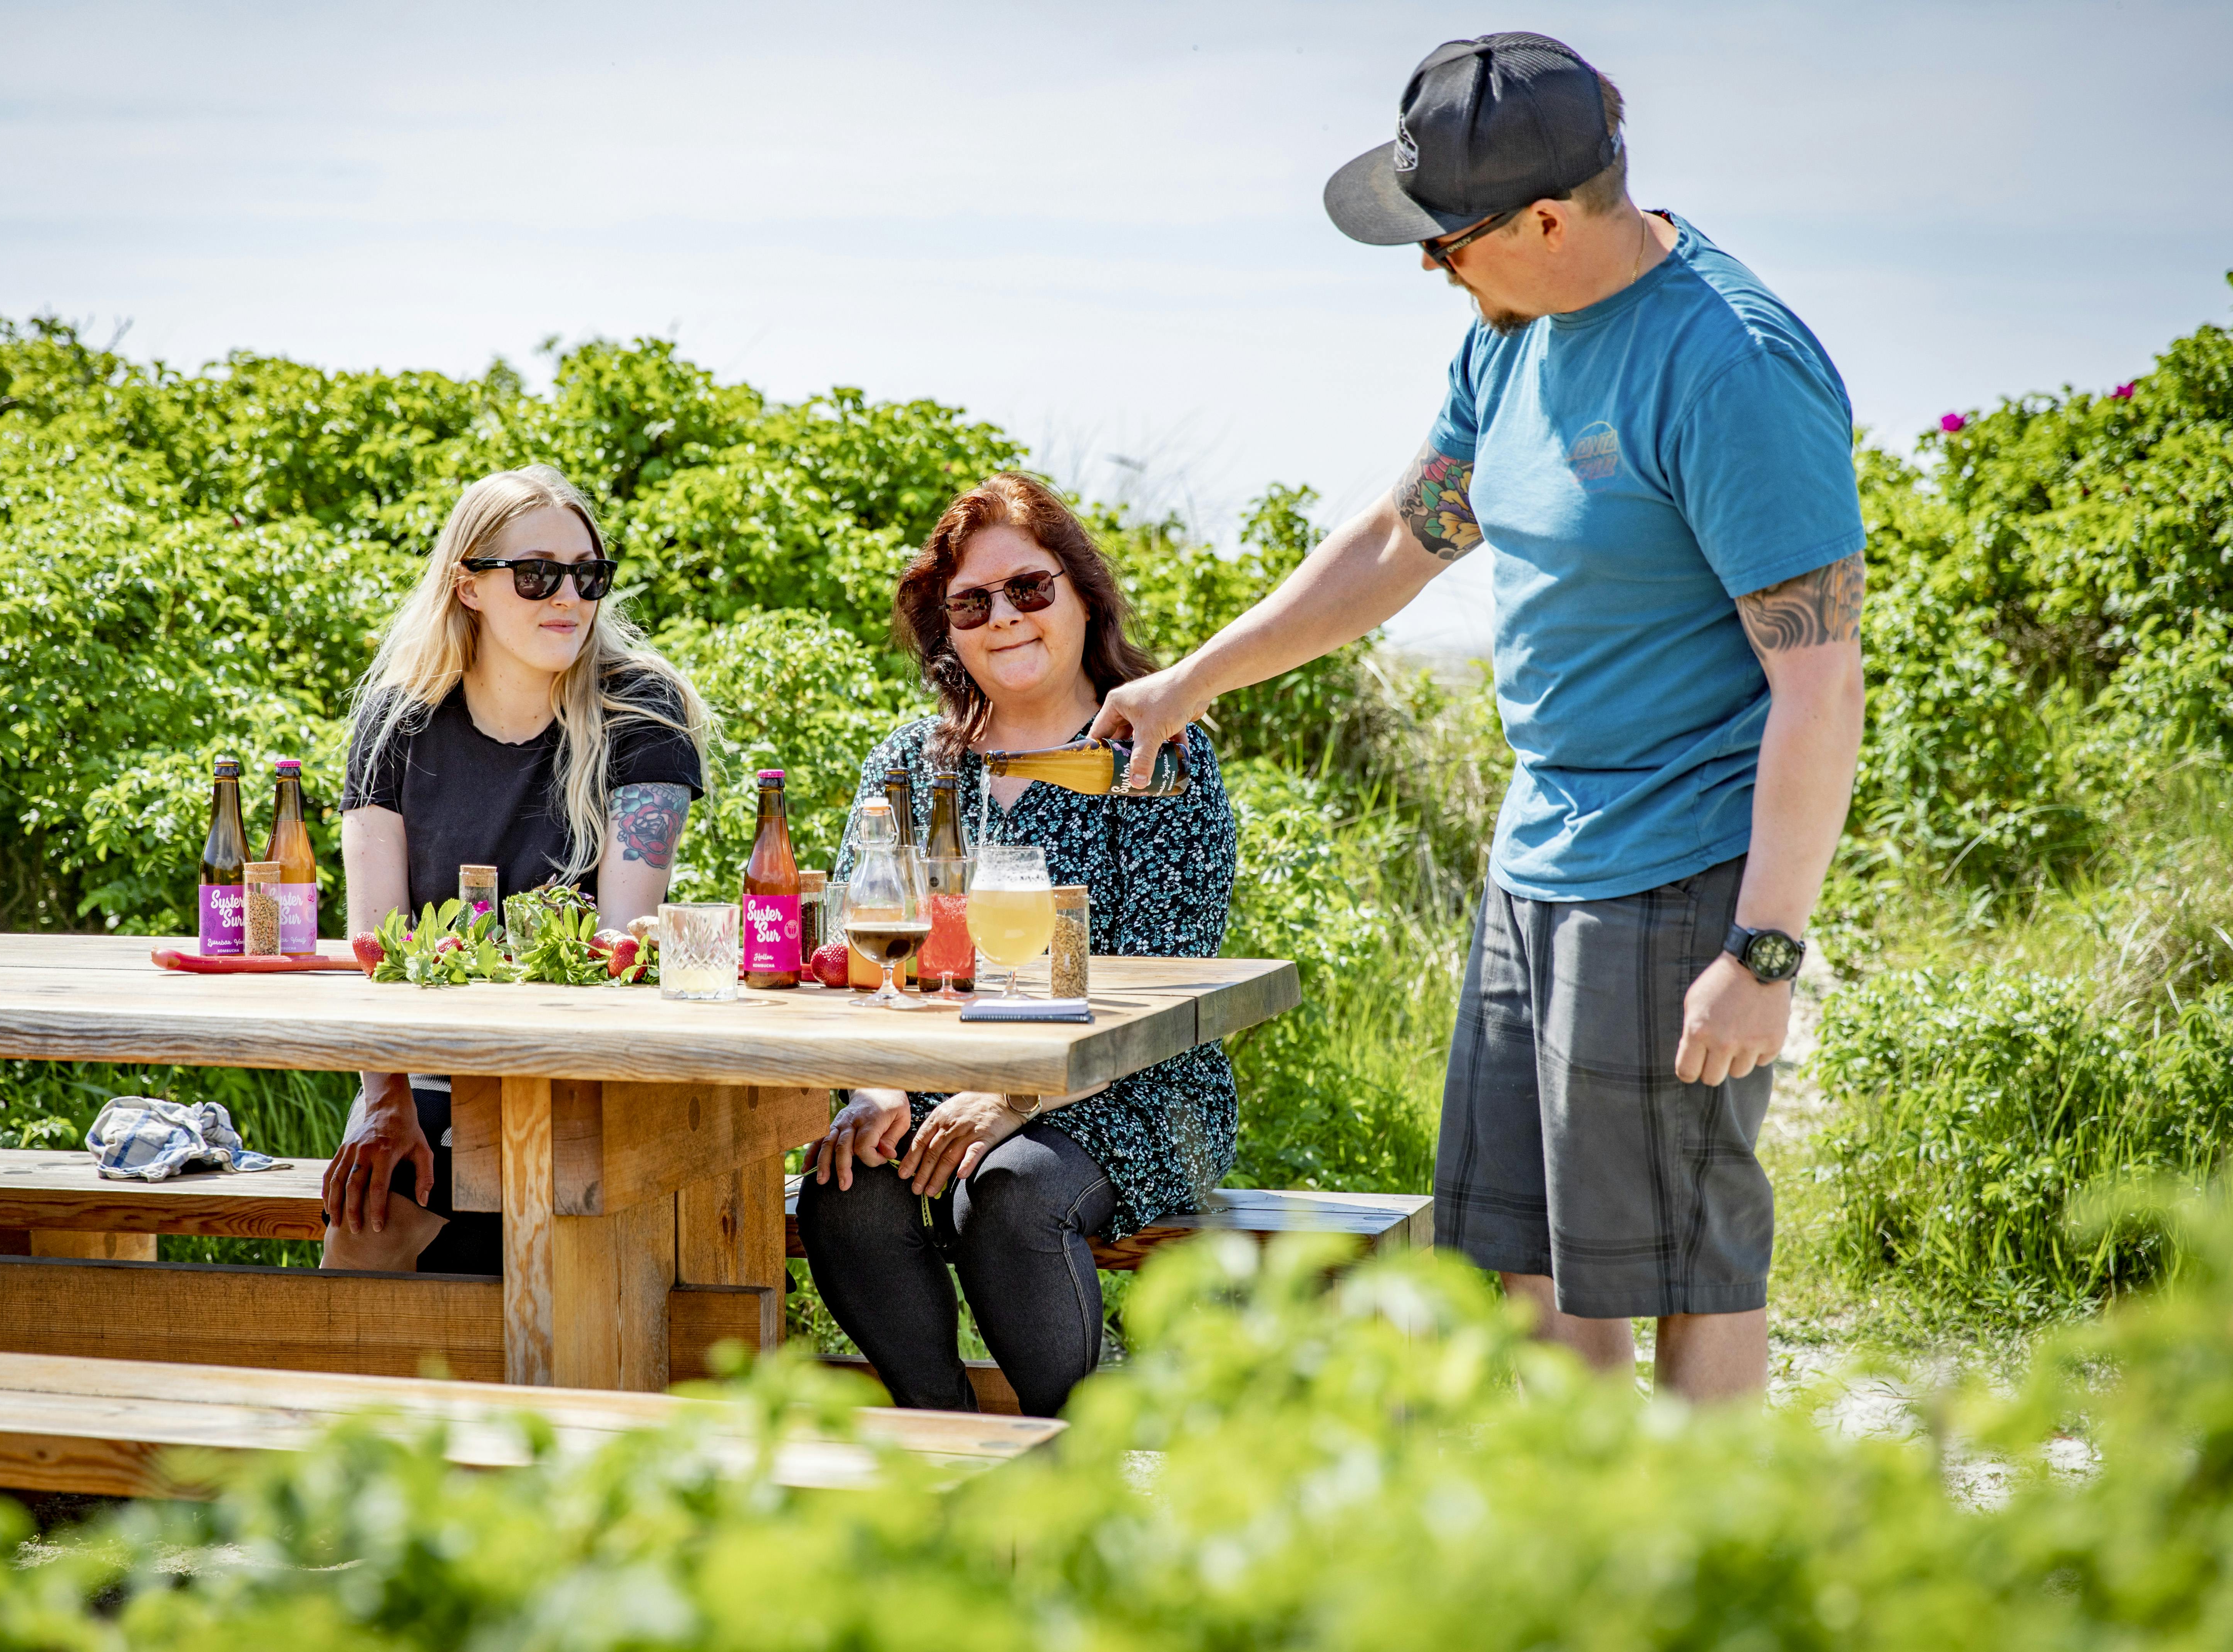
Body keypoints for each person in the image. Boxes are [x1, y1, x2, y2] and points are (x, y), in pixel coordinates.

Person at [1094, 33, 1867, 1404]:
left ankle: (1722, 1591)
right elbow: (1403, 537)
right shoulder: (1509, 335)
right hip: (1538, 859)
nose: (1433, 272)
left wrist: (1762, 947)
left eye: (1441, 244)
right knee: (1527, 1267)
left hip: (1678, 866)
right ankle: (1575, 1567)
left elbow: (1816, 680)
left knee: (1680, 1269)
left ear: (1549, 219)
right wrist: (1193, 677)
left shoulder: (1725, 367)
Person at [798, 472, 1241, 1417]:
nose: (1004, 617)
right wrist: (874, 1087)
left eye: (1030, 589)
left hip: (1129, 1081)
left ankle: (1079, 1466)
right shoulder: (912, 762)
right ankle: (951, 1449)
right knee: (844, 1184)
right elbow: (861, 949)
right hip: (932, 1072)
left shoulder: (1155, 750)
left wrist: (1015, 1094)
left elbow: (1166, 975)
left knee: (1008, 1193)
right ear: (947, 628)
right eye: (972, 602)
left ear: (1084, 595)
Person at [323, 463, 708, 1274]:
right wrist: (383, 1100)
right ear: (468, 586)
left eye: (587, 575)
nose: (567, 596)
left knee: (543, 1239)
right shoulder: (396, 721)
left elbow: (621, 949)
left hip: (588, 1073)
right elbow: (374, 945)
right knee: (364, 1223)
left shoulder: (641, 713)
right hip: (432, 1069)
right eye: (535, 576)